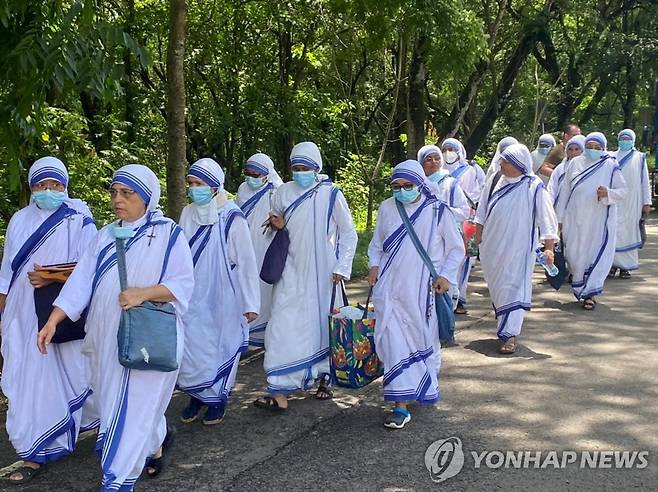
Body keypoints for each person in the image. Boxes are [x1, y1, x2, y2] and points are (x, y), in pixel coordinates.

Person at [38, 164, 195, 491]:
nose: (117, 200)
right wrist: (54, 319)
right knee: (123, 406)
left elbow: (183, 285)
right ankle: (157, 440)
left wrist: (143, 294)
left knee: (133, 406)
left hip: (151, 340)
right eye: (114, 192)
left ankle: (117, 480)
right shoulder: (105, 235)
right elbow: (80, 284)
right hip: (107, 338)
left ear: (147, 198)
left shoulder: (169, 234)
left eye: (127, 193)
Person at [0, 157, 97, 484]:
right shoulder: (19, 219)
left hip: (62, 310)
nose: (49, 191)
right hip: (22, 312)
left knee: (69, 371)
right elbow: (6, 272)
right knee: (27, 376)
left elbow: (91, 266)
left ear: (65, 186)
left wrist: (51, 276)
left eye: (55, 185)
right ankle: (32, 451)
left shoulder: (78, 218)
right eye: (42, 185)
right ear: (32, 188)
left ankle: (89, 429)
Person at [254, 142, 357, 411]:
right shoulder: (283, 193)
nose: (300, 172)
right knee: (282, 325)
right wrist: (278, 226)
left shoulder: (331, 193)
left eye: (305, 168)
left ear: (316, 168)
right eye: (295, 168)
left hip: (324, 274)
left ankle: (324, 377)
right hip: (290, 270)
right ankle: (279, 386)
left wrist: (342, 267)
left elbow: (348, 233)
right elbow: (272, 230)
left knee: (321, 326)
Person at [367, 159, 464, 429]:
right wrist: (374, 266)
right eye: (396, 186)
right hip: (389, 288)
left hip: (422, 290)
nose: (401, 190)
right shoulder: (387, 207)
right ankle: (400, 404)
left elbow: (456, 248)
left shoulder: (436, 210)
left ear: (420, 184)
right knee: (392, 340)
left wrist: (445, 276)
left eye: (407, 185)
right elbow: (376, 244)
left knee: (423, 339)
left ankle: (421, 385)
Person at [177, 158, 260, 425]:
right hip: (192, 294)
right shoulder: (188, 213)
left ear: (214, 187)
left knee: (219, 345)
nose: (193, 189)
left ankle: (218, 398)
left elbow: (247, 262)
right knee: (193, 346)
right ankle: (196, 395)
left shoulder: (232, 216)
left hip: (223, 293)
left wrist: (250, 302)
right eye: (191, 183)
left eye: (199, 184)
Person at [474, 144, 558, 354]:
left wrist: (549, 248)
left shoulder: (534, 186)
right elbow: (481, 212)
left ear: (520, 165)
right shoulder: (494, 181)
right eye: (502, 160)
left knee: (514, 287)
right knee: (498, 288)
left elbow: (547, 220)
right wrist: (478, 237)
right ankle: (505, 325)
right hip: (492, 248)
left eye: (507, 161)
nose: (502, 164)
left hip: (519, 250)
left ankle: (510, 334)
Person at [555, 132, 627, 310]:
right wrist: (559, 219)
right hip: (575, 218)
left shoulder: (610, 164)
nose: (593, 150)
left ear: (603, 148)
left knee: (595, 254)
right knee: (573, 255)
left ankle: (590, 294)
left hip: (599, 219)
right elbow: (564, 192)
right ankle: (580, 284)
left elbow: (623, 191)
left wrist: (608, 193)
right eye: (590, 147)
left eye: (597, 148)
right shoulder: (575, 163)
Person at [235, 153, 283, 347]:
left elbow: (284, 220)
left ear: (266, 174)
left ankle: (264, 336)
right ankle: (244, 335)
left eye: (256, 174)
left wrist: (275, 224)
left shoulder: (276, 192)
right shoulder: (242, 189)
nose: (251, 177)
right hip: (244, 246)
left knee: (264, 290)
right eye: (248, 172)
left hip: (265, 247)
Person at [441, 137, 480, 315]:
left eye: (452, 149)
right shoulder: (437, 171)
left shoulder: (468, 171)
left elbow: (472, 196)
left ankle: (460, 298)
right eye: (445, 149)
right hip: (440, 223)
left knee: (462, 262)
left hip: (463, 222)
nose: (448, 153)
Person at [609, 129, 651, 278]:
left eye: (627, 139)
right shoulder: (611, 156)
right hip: (614, 200)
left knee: (629, 233)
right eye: (622, 138)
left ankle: (625, 267)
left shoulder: (639, 157)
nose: (624, 141)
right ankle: (612, 265)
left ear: (632, 140)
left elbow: (644, 181)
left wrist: (646, 202)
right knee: (612, 232)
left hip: (633, 202)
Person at [547, 135, 586, 207]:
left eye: (577, 149)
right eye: (570, 149)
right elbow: (552, 188)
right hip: (559, 208)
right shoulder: (560, 168)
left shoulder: (587, 169)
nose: (573, 152)